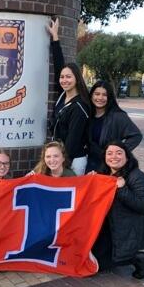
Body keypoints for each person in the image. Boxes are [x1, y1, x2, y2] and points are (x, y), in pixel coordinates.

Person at [92, 141, 144, 279]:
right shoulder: (103, 174)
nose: (114, 157)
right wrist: (91, 181)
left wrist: (122, 189)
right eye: (109, 153)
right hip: (107, 226)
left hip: (126, 228)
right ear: (105, 157)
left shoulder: (138, 177)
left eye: (119, 153)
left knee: (104, 263)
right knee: (95, 263)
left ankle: (140, 259)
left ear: (127, 156)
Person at [47, 18, 91, 175]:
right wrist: (55, 38)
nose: (64, 80)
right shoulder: (62, 96)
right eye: (62, 77)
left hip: (72, 161)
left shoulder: (79, 106)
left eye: (68, 77)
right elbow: (59, 65)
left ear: (77, 79)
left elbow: (72, 142)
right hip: (60, 157)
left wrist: (60, 164)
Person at [86, 80, 142, 172]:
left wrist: (119, 152)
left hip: (109, 167)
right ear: (91, 95)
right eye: (97, 94)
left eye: (105, 95)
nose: (100, 98)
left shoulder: (118, 116)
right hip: (90, 163)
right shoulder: (88, 114)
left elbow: (136, 136)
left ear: (110, 97)